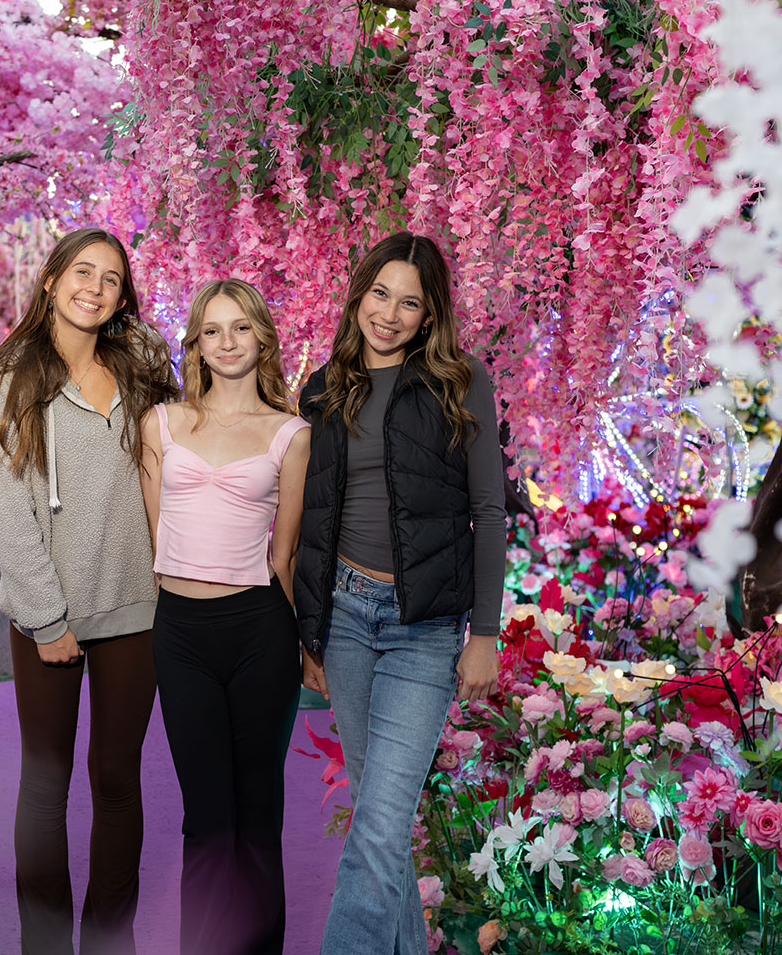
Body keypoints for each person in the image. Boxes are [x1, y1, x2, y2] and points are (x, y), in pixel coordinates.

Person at [0, 227, 180, 955]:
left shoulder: (142, 369)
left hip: (135, 609)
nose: (95, 286)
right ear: (51, 280)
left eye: (111, 278)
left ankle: (110, 944)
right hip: (46, 616)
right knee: (46, 785)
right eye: (82, 271)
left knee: (119, 779)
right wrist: (47, 619)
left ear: (123, 295)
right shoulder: (13, 377)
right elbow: (10, 515)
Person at [292, 233, 508, 955]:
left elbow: (490, 509)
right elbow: (312, 519)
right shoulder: (323, 388)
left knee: (380, 827)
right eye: (380, 293)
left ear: (428, 316)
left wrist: (486, 633)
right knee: (381, 830)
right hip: (346, 619)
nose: (389, 313)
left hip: (425, 627)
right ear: (359, 295)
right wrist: (310, 632)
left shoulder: (461, 380)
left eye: (409, 303)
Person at [138, 279, 311, 955]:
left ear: (262, 338)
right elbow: (160, 542)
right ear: (197, 345)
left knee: (257, 816)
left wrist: (308, 651)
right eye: (213, 330)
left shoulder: (290, 434)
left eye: (241, 327)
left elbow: (286, 554)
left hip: (260, 633)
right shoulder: (162, 424)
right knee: (206, 821)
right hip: (180, 635)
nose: (228, 341)